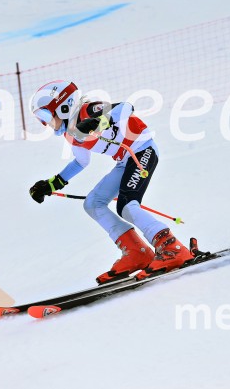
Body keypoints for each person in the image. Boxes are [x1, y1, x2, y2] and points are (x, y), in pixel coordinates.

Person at [28, 80, 193, 284]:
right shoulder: (72, 134)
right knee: (93, 204)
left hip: (142, 150)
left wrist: (100, 121)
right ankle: (137, 253)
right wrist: (52, 184)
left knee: (127, 205)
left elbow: (126, 108)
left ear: (63, 106)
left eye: (45, 116)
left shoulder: (88, 110)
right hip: (125, 161)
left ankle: (171, 248)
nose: (45, 124)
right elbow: (81, 162)